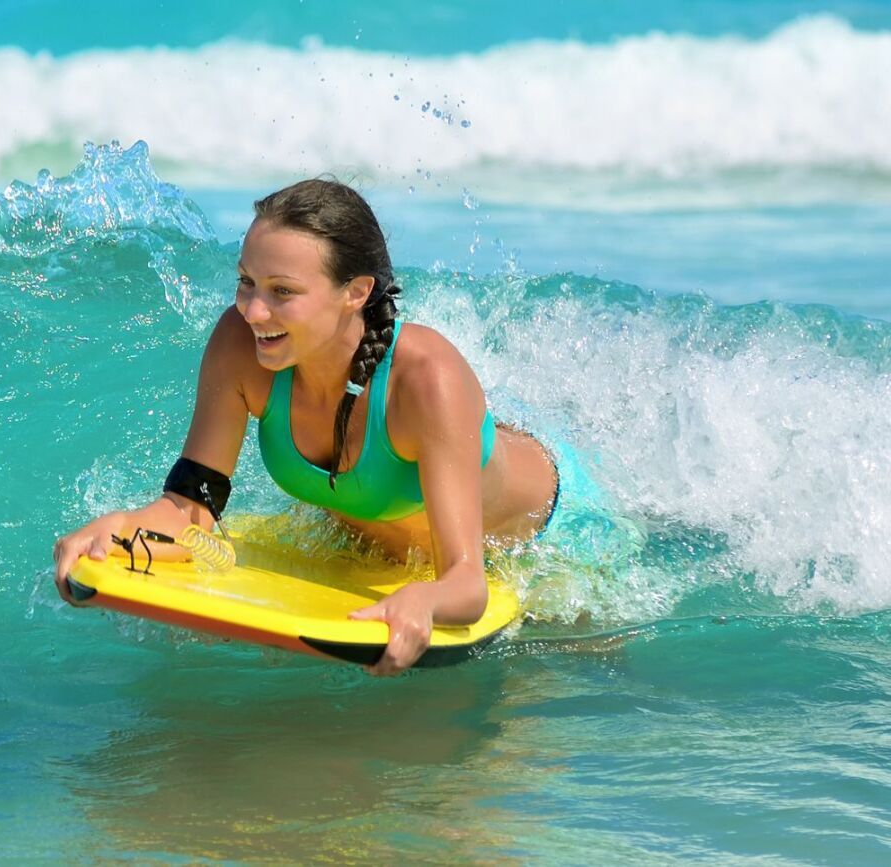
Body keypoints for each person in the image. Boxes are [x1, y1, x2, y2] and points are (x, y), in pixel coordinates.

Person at [52, 178, 560, 676]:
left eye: (282, 291)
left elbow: (467, 584)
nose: (252, 310)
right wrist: (120, 527)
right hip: (377, 548)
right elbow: (191, 512)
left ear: (356, 292)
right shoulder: (240, 346)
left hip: (550, 541)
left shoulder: (428, 380)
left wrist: (427, 600)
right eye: (246, 281)